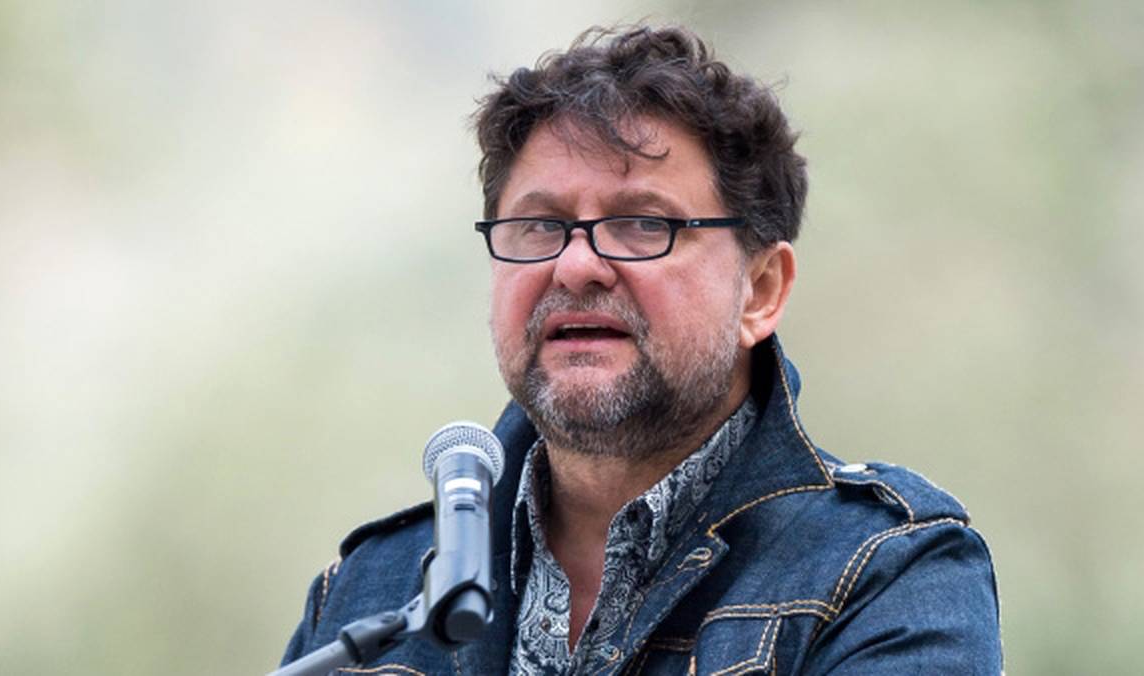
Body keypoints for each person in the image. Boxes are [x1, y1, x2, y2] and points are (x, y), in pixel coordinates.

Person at [280, 24, 1002, 674]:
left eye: (642, 224)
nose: (575, 266)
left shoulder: (888, 571)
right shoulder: (369, 593)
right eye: (539, 226)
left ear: (760, 291)